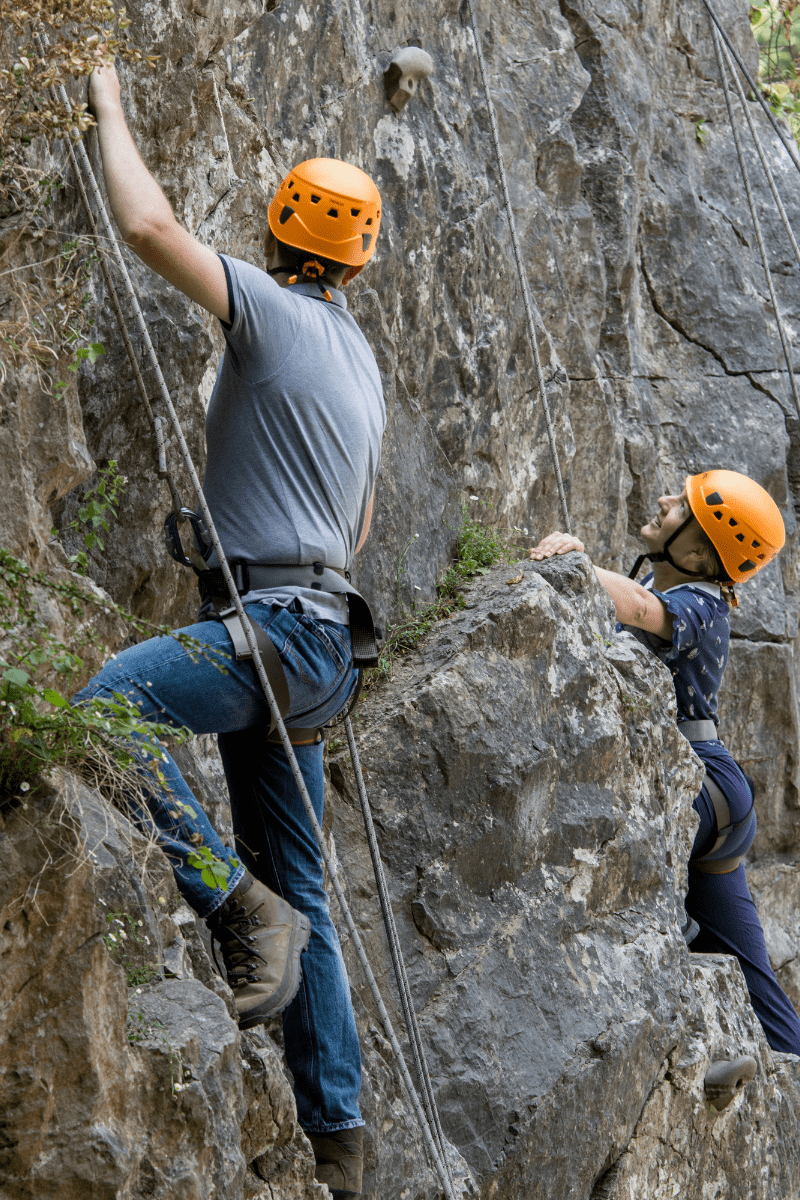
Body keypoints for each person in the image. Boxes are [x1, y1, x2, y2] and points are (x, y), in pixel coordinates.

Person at [80, 61, 386, 1197]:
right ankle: (339, 1142)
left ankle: (229, 899)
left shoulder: (267, 309)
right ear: (355, 259)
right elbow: (357, 519)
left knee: (105, 704)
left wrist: (110, 103)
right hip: (323, 648)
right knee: (308, 887)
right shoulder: (359, 360)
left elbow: (149, 225)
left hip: (271, 632)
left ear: (276, 233)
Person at [531, 469, 800, 1055]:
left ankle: (668, 960)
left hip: (695, 789)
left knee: (643, 897)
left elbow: (638, 608)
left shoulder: (702, 607)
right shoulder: (672, 584)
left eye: (679, 506)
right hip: (708, 793)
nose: (661, 500)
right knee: (753, 977)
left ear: (701, 553)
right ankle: (774, 1056)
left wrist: (577, 566)